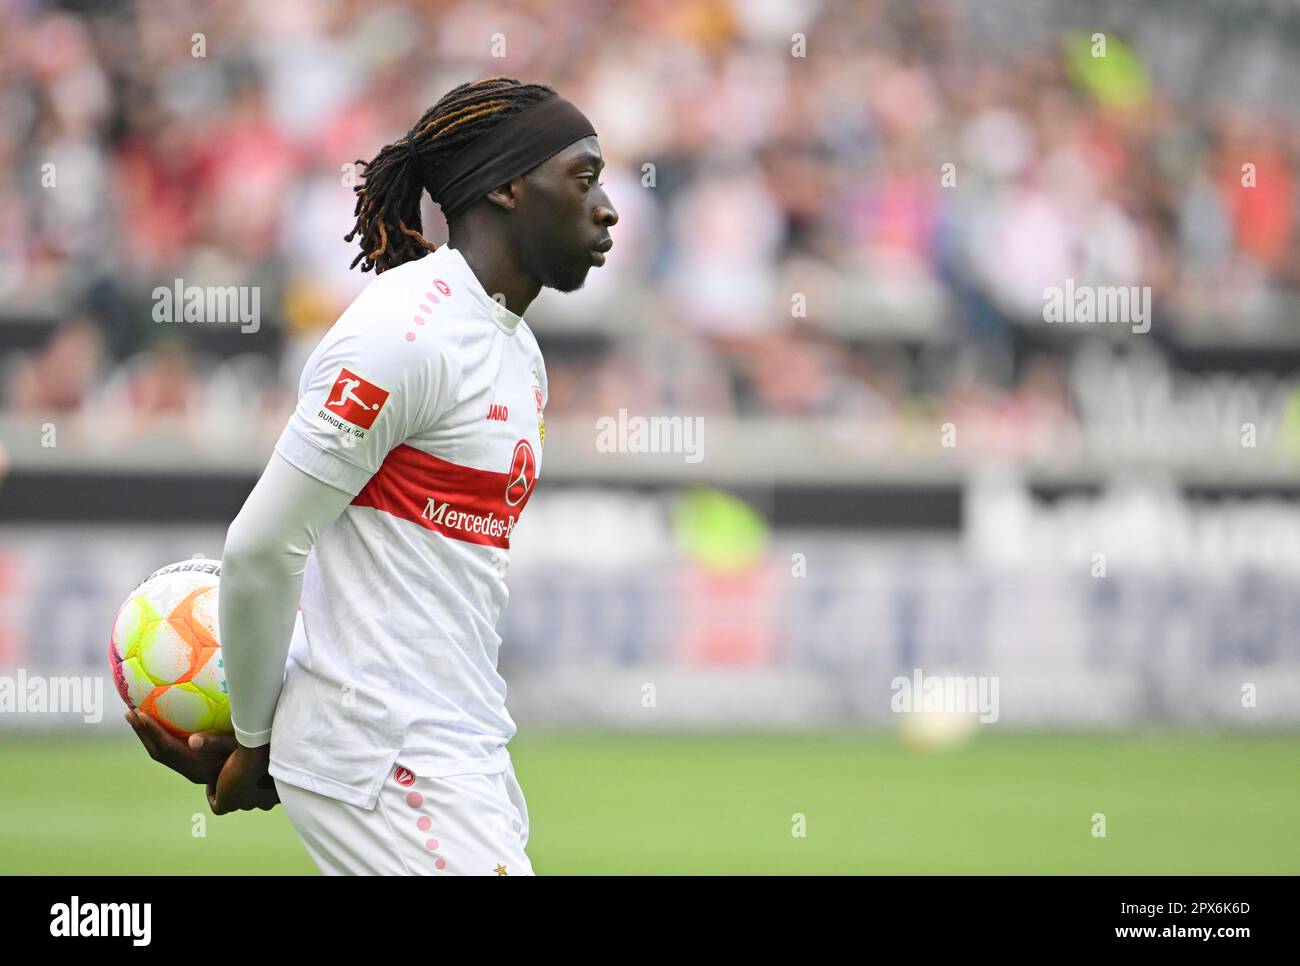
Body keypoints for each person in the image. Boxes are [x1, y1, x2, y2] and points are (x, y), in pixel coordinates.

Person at [127, 77, 618, 875]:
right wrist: (255, 737)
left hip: (457, 747)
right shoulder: (405, 332)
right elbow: (263, 545)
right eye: (584, 177)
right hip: (391, 758)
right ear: (505, 185)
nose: (608, 208)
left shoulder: (514, 350)